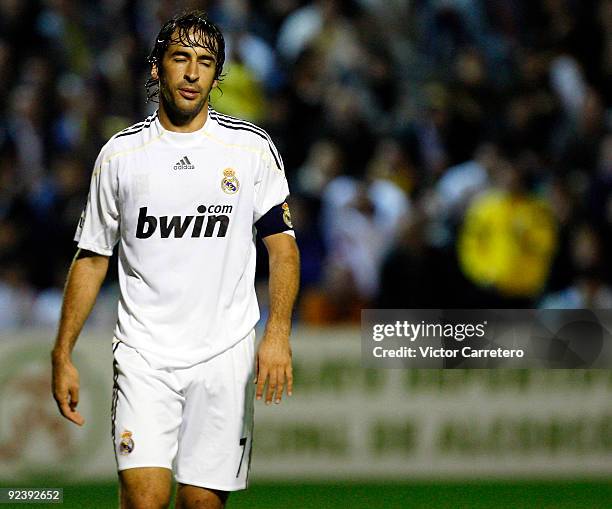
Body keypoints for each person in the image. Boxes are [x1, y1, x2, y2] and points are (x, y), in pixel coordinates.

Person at [51, 10, 299, 509]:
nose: (191, 73)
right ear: (156, 68)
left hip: (225, 352)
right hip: (144, 352)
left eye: (205, 62)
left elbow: (283, 246)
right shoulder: (120, 156)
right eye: (180, 58)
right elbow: (93, 258)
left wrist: (277, 335)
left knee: (201, 503)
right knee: (145, 498)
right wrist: (62, 353)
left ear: (217, 74)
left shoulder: (250, 149)